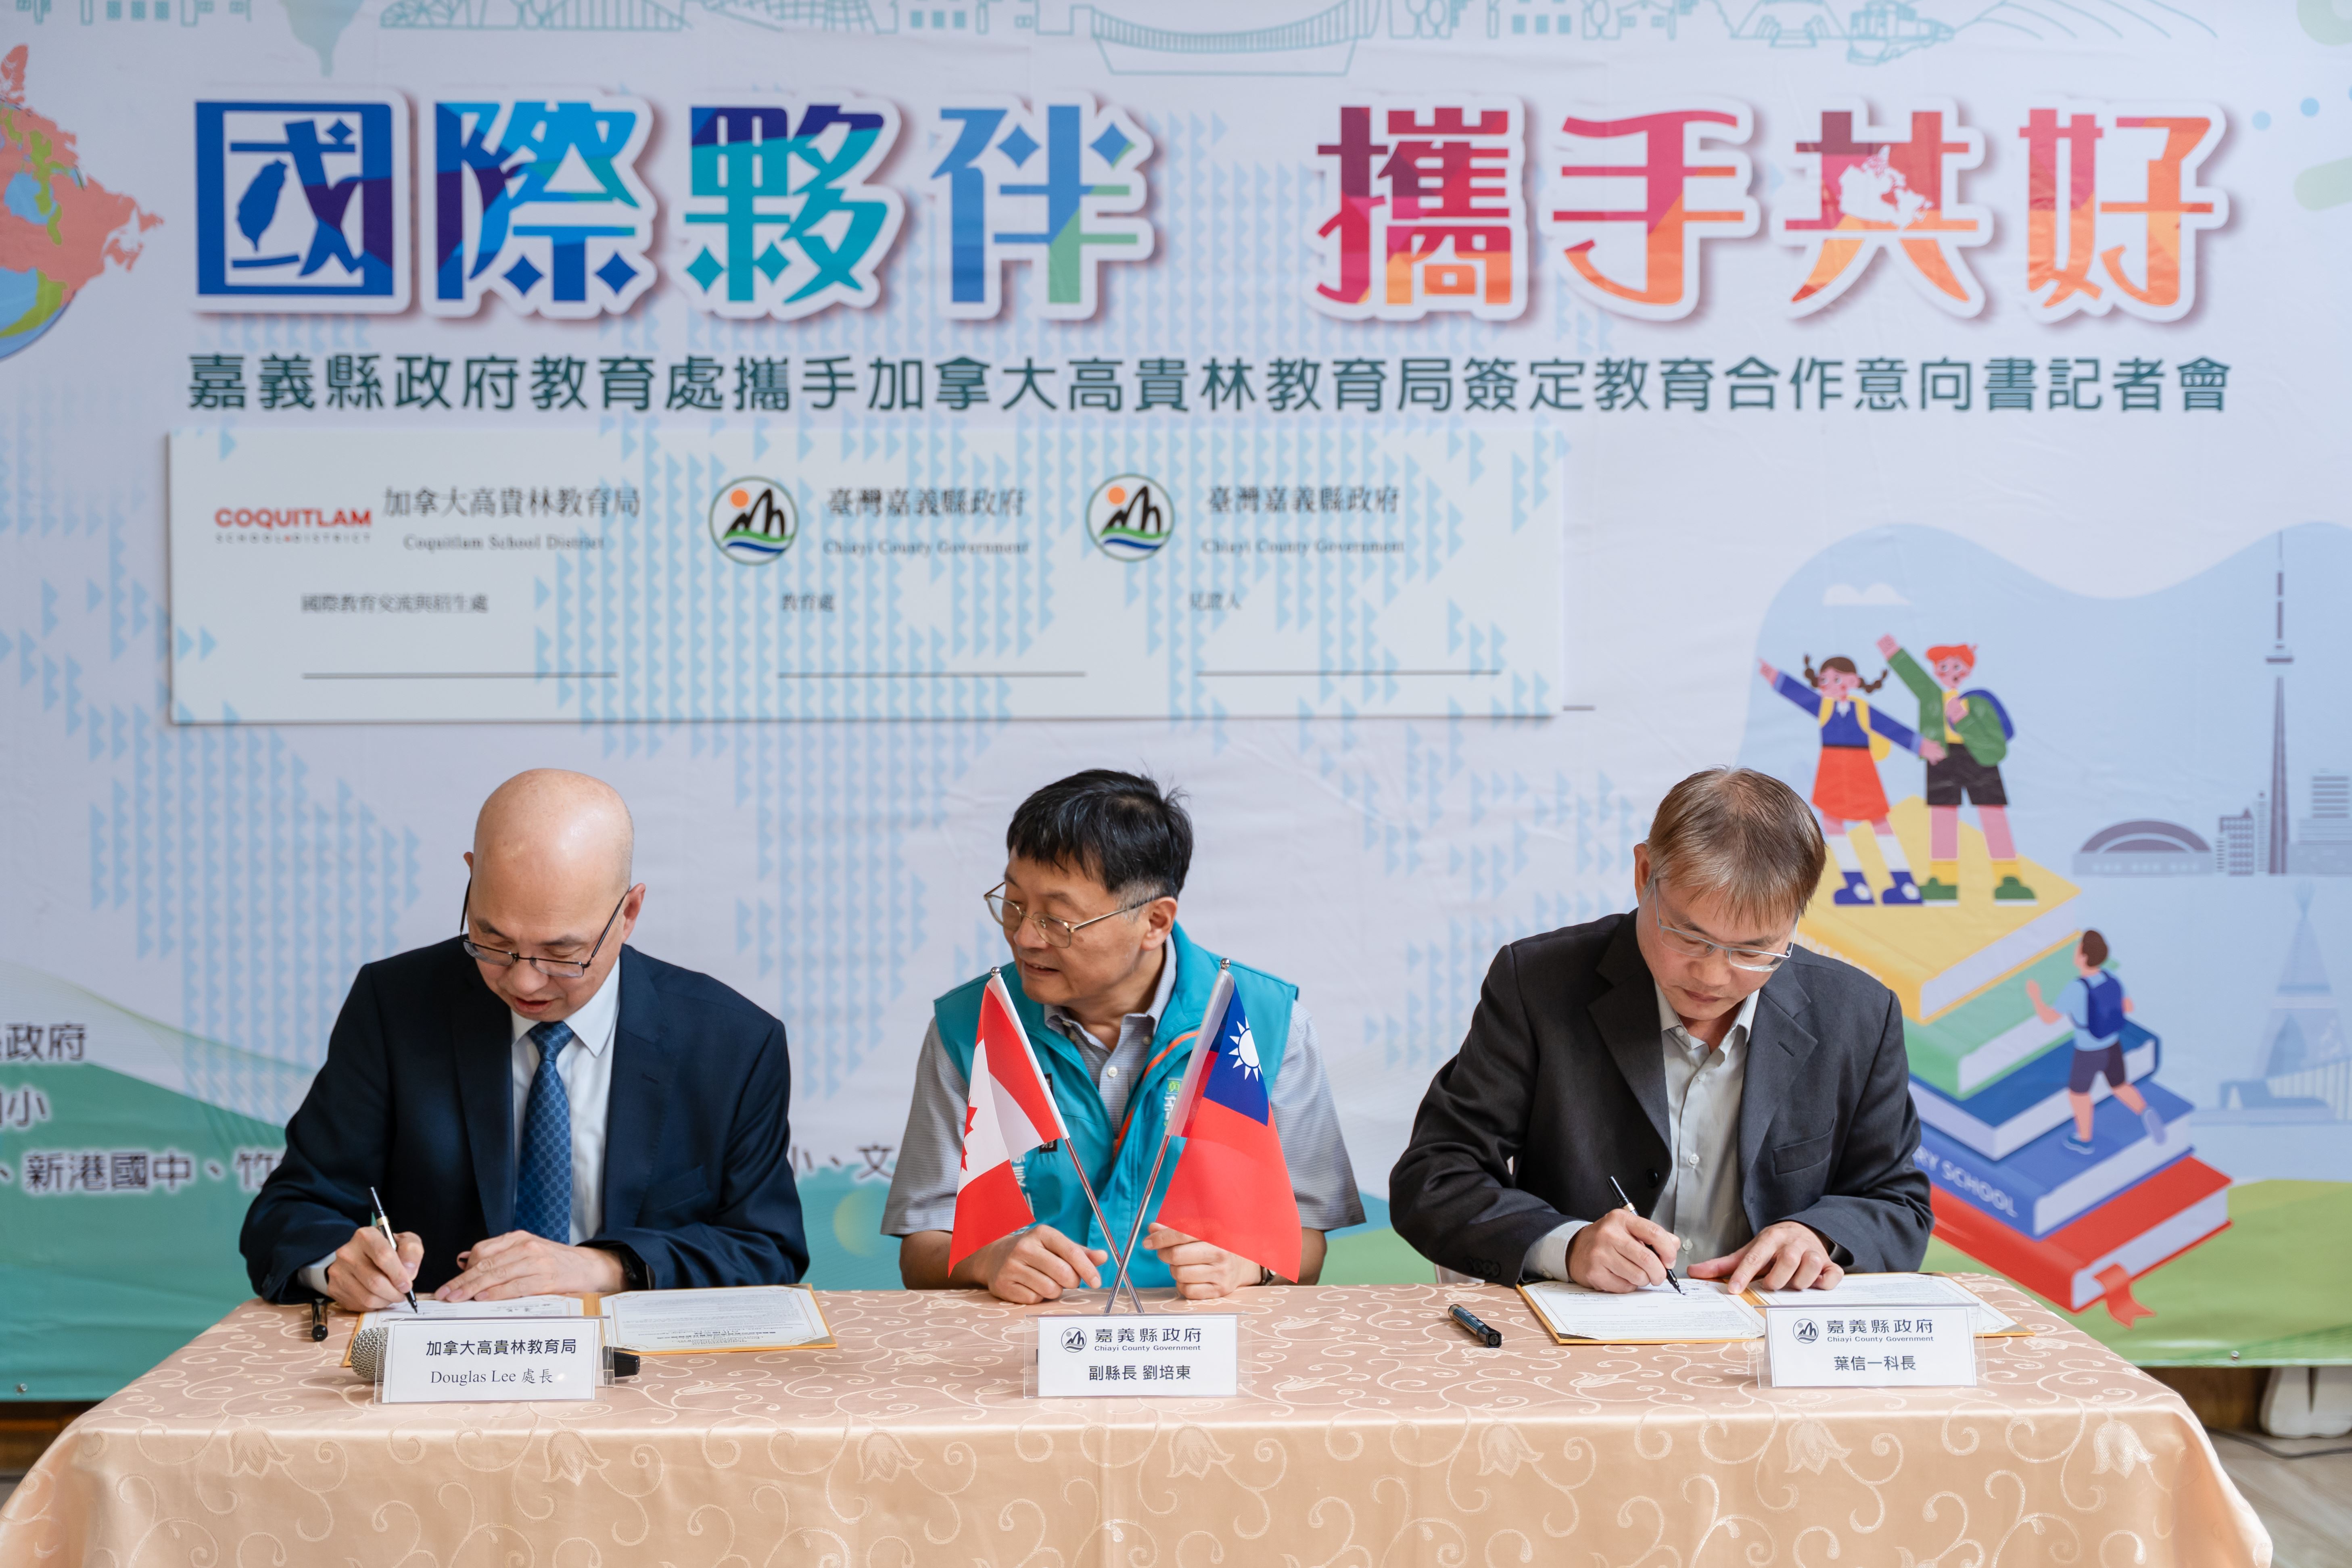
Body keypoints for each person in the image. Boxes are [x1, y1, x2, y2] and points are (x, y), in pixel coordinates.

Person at [241, 770, 807, 1309]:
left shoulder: (731, 1043)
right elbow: (292, 1210)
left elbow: (767, 1247)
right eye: (492, 939)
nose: (523, 981)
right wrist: (337, 1263)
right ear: (471, 876)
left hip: (649, 1368)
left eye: (562, 953)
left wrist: (606, 1266)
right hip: (449, 1359)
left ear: (629, 912)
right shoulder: (395, 1007)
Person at [1390, 767, 1932, 1294]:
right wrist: (1567, 1245)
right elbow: (1435, 1176)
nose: (1713, 976)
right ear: (1644, 872)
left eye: (1752, 950)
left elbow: (1897, 1201)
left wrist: (1817, 1235)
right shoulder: (1537, 984)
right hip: (1581, 1335)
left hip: (1770, 1333)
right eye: (1689, 937)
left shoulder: (1857, 1014)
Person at [885, 769, 1362, 1303]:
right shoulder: (971, 1025)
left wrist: (1245, 1265)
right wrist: (987, 1259)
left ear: (1155, 921)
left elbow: (1307, 1234)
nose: (1023, 937)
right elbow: (923, 1245)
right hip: (1025, 1339)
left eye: (1057, 920)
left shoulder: (1262, 1023)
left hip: (1203, 1335)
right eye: (1014, 903)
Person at [1759, 654, 1946, 907]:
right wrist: (1775, 677)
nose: (1830, 685)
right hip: (1833, 772)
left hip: (1861, 773)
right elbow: (1800, 695)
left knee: (1879, 823)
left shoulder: (1862, 709)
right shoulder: (1824, 707)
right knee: (1833, 823)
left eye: (1837, 679)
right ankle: (1857, 884)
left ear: (1854, 681)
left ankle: (1905, 883)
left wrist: (1921, 746)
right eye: (1825, 680)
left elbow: (1891, 728)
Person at [1877, 635, 2032, 905]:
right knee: (1943, 817)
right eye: (1943, 667)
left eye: (1957, 666)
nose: (1950, 672)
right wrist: (1895, 653)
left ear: (1969, 669)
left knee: (1993, 815)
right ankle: (1943, 881)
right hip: (1943, 756)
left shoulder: (1980, 701)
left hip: (1979, 757)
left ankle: (2009, 879)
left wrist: (1964, 719)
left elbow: (1995, 738)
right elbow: (1916, 679)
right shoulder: (1933, 697)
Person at [2025, 929, 2162, 1154]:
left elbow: (2049, 1018)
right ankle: (2144, 1111)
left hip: (2088, 1051)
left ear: (2084, 957)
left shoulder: (2076, 988)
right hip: (2113, 1045)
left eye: (2078, 949)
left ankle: (2084, 1140)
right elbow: (2128, 1007)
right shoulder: (2110, 978)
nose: (2075, 952)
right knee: (2119, 1086)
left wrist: (2035, 997)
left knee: (2078, 1094)